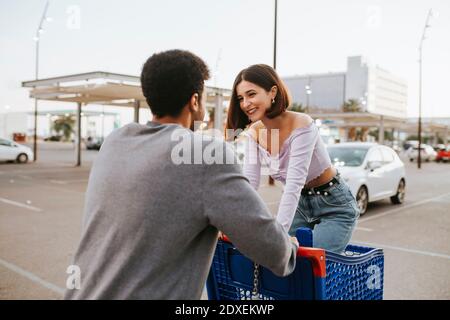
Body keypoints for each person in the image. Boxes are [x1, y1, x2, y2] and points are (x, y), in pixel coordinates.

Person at [64, 50, 298, 300]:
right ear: (194, 101)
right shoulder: (205, 154)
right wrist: (290, 248)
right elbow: (272, 250)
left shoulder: (115, 142)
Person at [226, 64, 359, 254]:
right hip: (300, 204)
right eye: (241, 98)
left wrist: (278, 235)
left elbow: (294, 183)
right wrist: (234, 222)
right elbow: (250, 183)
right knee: (285, 270)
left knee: (316, 268)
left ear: (272, 92)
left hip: (333, 203)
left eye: (251, 94)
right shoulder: (254, 132)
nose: (246, 103)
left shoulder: (301, 123)